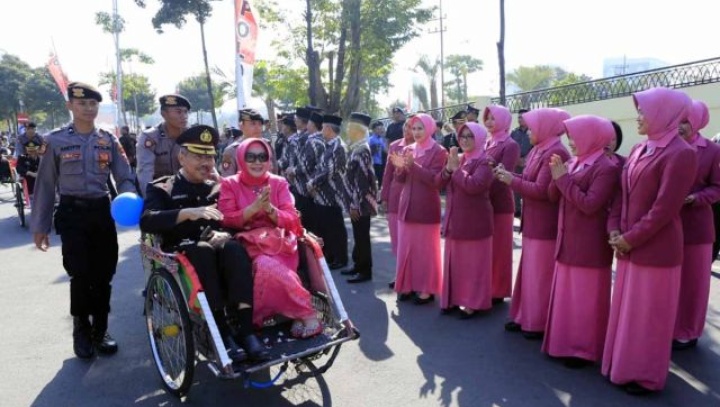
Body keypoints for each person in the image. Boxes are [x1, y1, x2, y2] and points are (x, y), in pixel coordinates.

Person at [140, 125, 270, 362]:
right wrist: (187, 212)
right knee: (201, 252)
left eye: (210, 156)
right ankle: (220, 331)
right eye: (198, 156)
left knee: (234, 248)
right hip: (182, 252)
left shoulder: (219, 186)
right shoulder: (163, 187)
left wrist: (224, 233)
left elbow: (231, 217)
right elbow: (147, 220)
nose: (206, 162)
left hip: (217, 246)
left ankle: (246, 331)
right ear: (182, 156)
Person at [30, 82, 135, 359]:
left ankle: (101, 330)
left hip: (101, 212)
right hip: (72, 213)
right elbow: (45, 184)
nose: (89, 109)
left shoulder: (108, 140)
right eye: (82, 104)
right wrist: (40, 226)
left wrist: (128, 196)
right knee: (80, 274)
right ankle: (81, 329)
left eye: (93, 104)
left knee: (104, 274)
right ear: (70, 106)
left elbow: (124, 175)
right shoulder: (55, 140)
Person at [603, 87, 697, 395]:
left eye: (644, 111)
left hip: (655, 250)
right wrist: (615, 229)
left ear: (662, 114)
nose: (638, 117)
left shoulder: (681, 153)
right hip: (629, 246)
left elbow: (664, 209)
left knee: (648, 317)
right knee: (629, 314)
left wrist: (631, 239)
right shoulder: (639, 149)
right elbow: (622, 194)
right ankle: (621, 366)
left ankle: (644, 375)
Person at [218, 138, 323, 338]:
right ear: (241, 159)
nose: (257, 162)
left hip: (280, 243)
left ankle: (300, 314)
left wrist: (271, 211)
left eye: (262, 157)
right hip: (249, 246)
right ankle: (306, 313)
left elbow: (292, 219)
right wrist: (253, 209)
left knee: (270, 265)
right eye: (250, 157)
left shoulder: (278, 182)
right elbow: (226, 218)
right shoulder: (230, 184)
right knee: (265, 265)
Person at [543, 115, 620, 369]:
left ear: (591, 137)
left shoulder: (606, 168)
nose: (571, 142)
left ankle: (583, 350)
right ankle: (563, 343)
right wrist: (557, 176)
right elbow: (555, 197)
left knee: (585, 300)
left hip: (589, 245)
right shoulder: (574, 162)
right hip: (568, 240)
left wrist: (562, 179)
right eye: (569, 137)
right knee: (568, 297)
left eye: (576, 136)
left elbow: (590, 204)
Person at [494, 108, 571, 339]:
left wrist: (511, 180)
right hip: (532, 221)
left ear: (546, 127)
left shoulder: (556, 152)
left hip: (545, 224)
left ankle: (537, 322)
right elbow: (528, 180)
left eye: (533, 127)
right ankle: (524, 316)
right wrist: (509, 176)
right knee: (529, 273)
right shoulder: (540, 149)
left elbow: (543, 192)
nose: (528, 132)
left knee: (540, 276)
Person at [673, 99, 720, 350]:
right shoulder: (669, 146)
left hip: (697, 227)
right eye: (678, 121)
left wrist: (697, 198)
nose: (679, 127)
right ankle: (669, 326)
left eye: (685, 122)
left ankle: (688, 331)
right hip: (669, 224)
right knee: (671, 281)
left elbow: (717, 187)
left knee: (693, 283)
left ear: (698, 122)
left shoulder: (712, 151)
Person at [436, 123, 494, 318]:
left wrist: (456, 170)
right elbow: (439, 182)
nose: (465, 139)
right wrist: (448, 170)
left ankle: (473, 303)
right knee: (456, 264)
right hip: (455, 220)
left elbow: (474, 186)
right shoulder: (458, 159)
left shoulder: (485, 162)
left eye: (470, 136)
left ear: (478, 138)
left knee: (473, 266)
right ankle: (453, 298)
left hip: (474, 222)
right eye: (462, 136)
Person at [391, 113, 448, 304]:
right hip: (406, 205)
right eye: (413, 128)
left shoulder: (439, 151)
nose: (415, 132)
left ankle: (426, 289)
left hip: (426, 208)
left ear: (430, 128)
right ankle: (407, 285)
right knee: (406, 249)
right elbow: (400, 180)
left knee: (425, 251)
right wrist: (399, 168)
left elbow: (435, 181)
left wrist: (412, 165)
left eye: (420, 128)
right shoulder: (407, 149)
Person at [483, 105, 520, 305]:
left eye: (493, 118)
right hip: (483, 201)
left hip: (500, 203)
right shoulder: (486, 141)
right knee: (487, 248)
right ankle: (487, 286)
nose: (489, 122)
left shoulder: (510, 144)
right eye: (487, 118)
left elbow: (504, 175)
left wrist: (480, 190)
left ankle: (498, 290)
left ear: (504, 120)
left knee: (500, 250)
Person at [307, 114, 349, 270]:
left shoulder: (338, 146)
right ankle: (331, 255)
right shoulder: (329, 145)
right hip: (323, 195)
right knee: (326, 227)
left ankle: (341, 258)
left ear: (330, 129)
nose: (321, 130)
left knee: (335, 227)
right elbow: (320, 167)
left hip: (333, 195)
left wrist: (312, 183)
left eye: (323, 127)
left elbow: (328, 171)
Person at [340, 113, 379, 284]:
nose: (347, 130)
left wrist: (354, 205)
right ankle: (357, 264)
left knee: (362, 236)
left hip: (361, 203)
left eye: (350, 127)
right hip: (356, 201)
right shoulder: (356, 147)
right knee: (358, 234)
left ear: (358, 130)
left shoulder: (362, 149)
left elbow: (361, 182)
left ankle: (364, 270)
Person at [136, 94, 191, 196]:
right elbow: (145, 172)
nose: (184, 116)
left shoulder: (192, 136)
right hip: (159, 192)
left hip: (188, 191)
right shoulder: (150, 137)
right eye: (178, 112)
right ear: (163, 114)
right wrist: (149, 198)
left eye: (186, 112)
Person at [382, 119, 414, 289]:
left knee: (410, 239)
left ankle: (413, 276)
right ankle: (400, 274)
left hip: (413, 195)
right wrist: (384, 197)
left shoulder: (421, 146)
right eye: (406, 126)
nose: (408, 130)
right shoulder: (395, 145)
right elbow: (387, 173)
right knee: (397, 239)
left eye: (412, 127)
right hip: (395, 195)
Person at [221, 108, 266, 177]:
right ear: (241, 126)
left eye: (260, 124)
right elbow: (227, 181)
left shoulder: (267, 146)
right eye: (253, 123)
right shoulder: (232, 151)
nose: (258, 127)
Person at [510, 109, 532, 217]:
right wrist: (517, 159)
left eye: (522, 117)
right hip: (517, 163)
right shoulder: (514, 132)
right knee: (516, 188)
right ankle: (517, 210)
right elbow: (510, 146)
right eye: (519, 117)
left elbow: (536, 147)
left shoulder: (533, 131)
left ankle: (527, 211)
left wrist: (526, 159)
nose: (520, 119)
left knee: (528, 187)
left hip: (530, 163)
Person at [369, 121, 387, 190]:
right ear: (373, 130)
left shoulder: (381, 139)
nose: (380, 130)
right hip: (374, 163)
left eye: (381, 128)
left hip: (381, 162)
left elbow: (385, 150)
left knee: (381, 180)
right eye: (378, 129)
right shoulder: (371, 140)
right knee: (376, 180)